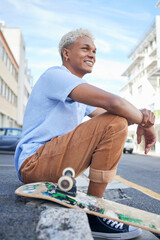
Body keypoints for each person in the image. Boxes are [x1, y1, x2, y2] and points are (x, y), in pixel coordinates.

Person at [15, 28, 156, 240]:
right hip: (34, 163)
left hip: (55, 164)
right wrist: (145, 121)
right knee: (115, 120)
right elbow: (114, 105)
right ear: (66, 53)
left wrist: (142, 116)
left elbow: (116, 118)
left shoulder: (79, 91)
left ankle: (93, 208)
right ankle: (94, 214)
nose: (92, 54)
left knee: (116, 121)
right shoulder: (55, 75)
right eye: (85, 48)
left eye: (95, 51)